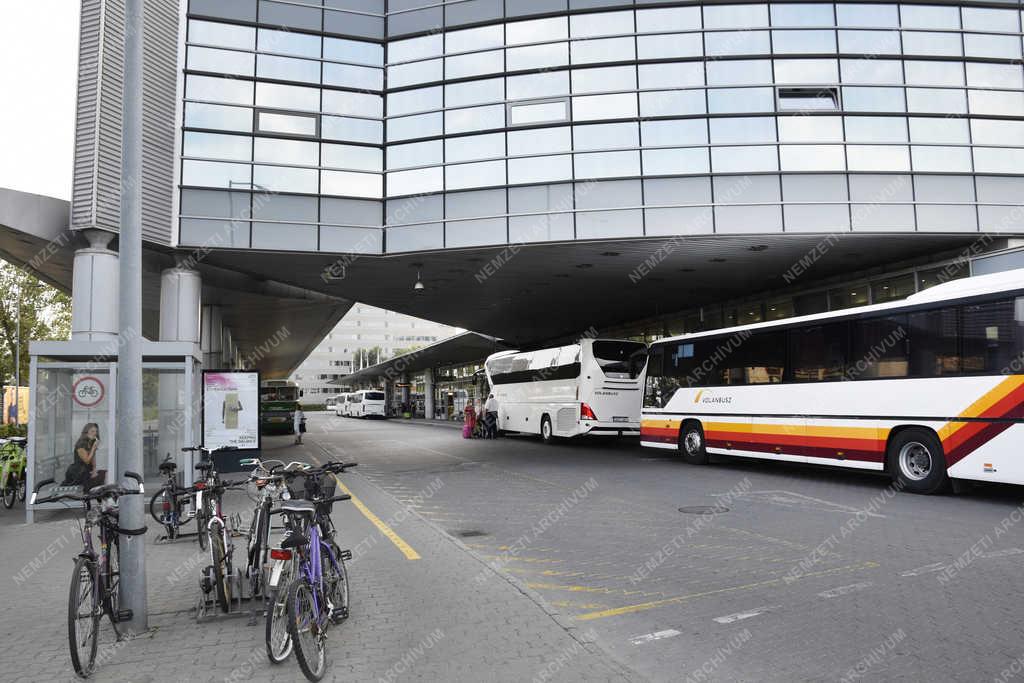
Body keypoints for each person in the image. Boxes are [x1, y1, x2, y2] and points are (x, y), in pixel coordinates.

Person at [64, 423, 106, 490]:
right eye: (92, 431)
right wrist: (94, 448)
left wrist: (94, 469)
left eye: (96, 431)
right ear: (86, 432)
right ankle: (88, 494)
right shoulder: (81, 444)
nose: (95, 433)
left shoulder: (90, 442)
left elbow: (93, 458)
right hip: (77, 473)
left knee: (105, 474)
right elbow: (87, 461)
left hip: (86, 471)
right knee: (102, 477)